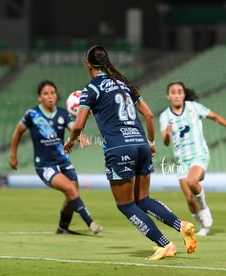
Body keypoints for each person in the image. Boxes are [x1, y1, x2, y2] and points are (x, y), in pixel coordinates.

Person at [64, 45, 197, 260]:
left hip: (119, 148)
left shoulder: (92, 89)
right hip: (141, 144)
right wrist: (151, 143)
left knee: (126, 204)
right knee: (142, 199)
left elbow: (78, 124)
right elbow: (149, 116)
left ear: (88, 65)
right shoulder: (124, 84)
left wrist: (71, 141)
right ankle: (181, 225)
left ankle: (165, 244)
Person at [9, 80, 102, 235]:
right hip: (44, 165)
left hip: (63, 162)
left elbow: (73, 128)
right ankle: (91, 223)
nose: (50, 96)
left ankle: (62, 228)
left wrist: (80, 137)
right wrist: (13, 156)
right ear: (39, 97)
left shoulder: (63, 114)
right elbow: (18, 132)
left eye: (52, 93)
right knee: (69, 188)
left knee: (73, 195)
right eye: (46, 94)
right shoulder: (32, 115)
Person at [159, 81, 226, 236]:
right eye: (173, 92)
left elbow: (215, 117)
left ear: (184, 95)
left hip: (198, 154)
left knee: (192, 182)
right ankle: (202, 226)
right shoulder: (165, 116)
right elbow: (165, 142)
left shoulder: (193, 107)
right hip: (181, 161)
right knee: (189, 199)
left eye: (179, 92)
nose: (177, 95)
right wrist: (167, 134)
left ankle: (205, 209)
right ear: (168, 96)